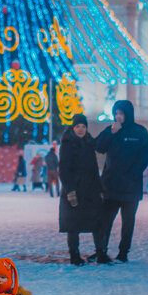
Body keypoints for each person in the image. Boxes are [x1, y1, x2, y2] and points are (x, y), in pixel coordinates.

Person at [94, 99, 148, 263]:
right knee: (105, 221)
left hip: (131, 187)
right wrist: (110, 132)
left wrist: (134, 172)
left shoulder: (140, 132)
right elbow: (98, 147)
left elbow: (145, 155)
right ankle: (101, 251)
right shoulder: (111, 130)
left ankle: (123, 253)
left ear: (128, 114)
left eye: (121, 113)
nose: (118, 117)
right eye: (116, 113)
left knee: (128, 223)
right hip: (111, 185)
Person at [58, 114, 102, 266]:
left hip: (90, 190)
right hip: (74, 190)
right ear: (73, 127)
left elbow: (94, 168)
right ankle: (74, 255)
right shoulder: (68, 143)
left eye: (83, 126)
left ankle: (101, 253)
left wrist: (99, 187)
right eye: (78, 126)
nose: (81, 129)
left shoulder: (89, 143)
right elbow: (63, 169)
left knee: (96, 221)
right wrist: (70, 190)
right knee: (73, 225)